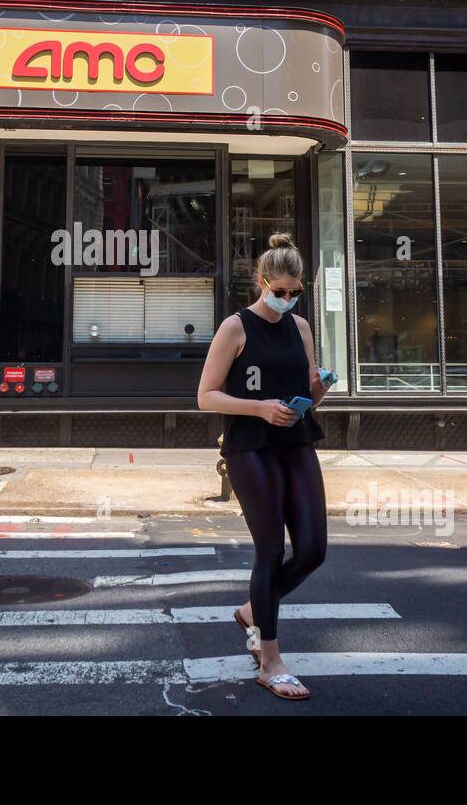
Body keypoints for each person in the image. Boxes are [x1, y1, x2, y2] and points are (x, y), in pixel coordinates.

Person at [196, 233, 335, 702]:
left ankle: (254, 608)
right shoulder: (235, 327)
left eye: (296, 292)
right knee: (271, 551)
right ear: (261, 282)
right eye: (281, 290)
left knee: (314, 548)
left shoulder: (301, 329)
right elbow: (206, 396)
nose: (289, 299)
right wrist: (259, 408)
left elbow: (310, 392)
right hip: (250, 446)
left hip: (297, 440)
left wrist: (320, 387)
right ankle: (270, 660)